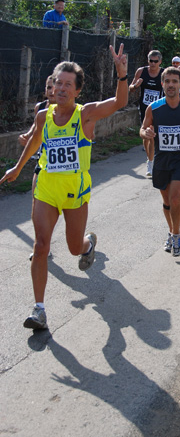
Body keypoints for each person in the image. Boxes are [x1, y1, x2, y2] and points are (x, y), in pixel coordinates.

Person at [0, 45, 128, 330]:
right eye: (57, 82)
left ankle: (88, 243)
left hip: (74, 191)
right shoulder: (43, 116)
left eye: (67, 84)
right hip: (46, 186)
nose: (60, 88)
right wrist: (18, 168)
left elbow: (119, 103)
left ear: (77, 91)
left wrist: (122, 74)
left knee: (73, 248)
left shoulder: (86, 115)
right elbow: (35, 142)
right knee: (41, 245)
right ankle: (39, 310)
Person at [140, 67, 180, 256]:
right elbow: (142, 129)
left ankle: (176, 236)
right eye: (167, 81)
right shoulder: (154, 108)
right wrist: (147, 133)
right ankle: (171, 231)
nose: (171, 85)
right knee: (167, 201)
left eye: (175, 81)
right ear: (162, 84)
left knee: (176, 198)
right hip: (162, 158)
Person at [129, 50, 164, 177]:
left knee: (152, 135)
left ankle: (151, 162)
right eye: (151, 61)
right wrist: (136, 86)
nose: (153, 63)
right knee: (145, 137)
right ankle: (149, 158)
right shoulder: (141, 71)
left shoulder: (163, 73)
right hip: (145, 108)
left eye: (155, 61)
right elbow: (130, 88)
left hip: (159, 109)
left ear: (160, 61)